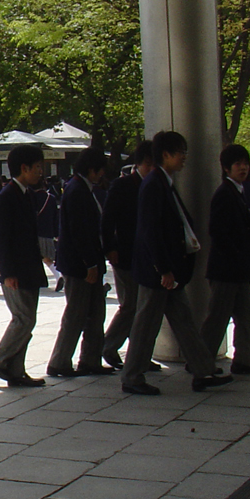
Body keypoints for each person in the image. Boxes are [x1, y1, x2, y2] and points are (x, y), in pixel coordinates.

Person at [121, 130, 232, 396]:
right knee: (146, 323)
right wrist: (163, 268)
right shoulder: (154, 184)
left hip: (166, 269)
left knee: (183, 320)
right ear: (166, 154)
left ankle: (202, 369)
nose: (184, 157)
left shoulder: (163, 182)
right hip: (157, 271)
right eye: (180, 151)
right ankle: (132, 375)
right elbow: (150, 231)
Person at [0, 145, 48, 388]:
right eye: (38, 167)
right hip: (16, 271)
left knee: (28, 320)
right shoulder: (7, 196)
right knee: (23, 319)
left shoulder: (27, 194)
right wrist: (7, 271)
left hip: (29, 267)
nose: (40, 172)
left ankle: (16, 369)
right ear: (24, 168)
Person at [201, 144, 250, 376]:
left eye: (245, 163)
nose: (243, 168)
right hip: (226, 269)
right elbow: (218, 232)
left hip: (239, 269)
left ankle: (246, 361)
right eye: (238, 164)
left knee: (246, 317)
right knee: (217, 320)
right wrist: (237, 255)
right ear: (226, 168)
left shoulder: (239, 191)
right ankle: (200, 362)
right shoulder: (224, 194)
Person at [46, 147, 110, 377]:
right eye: (100, 170)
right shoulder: (77, 190)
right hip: (80, 265)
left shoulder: (81, 188)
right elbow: (80, 231)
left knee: (95, 313)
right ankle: (60, 361)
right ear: (92, 169)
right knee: (76, 315)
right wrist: (90, 263)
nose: (101, 175)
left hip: (86, 262)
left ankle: (90, 360)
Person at [101, 141, 153, 370]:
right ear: (142, 162)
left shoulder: (157, 185)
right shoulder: (122, 185)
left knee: (145, 307)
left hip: (149, 254)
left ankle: (139, 354)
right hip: (126, 253)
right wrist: (110, 247)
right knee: (131, 305)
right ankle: (109, 347)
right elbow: (108, 219)